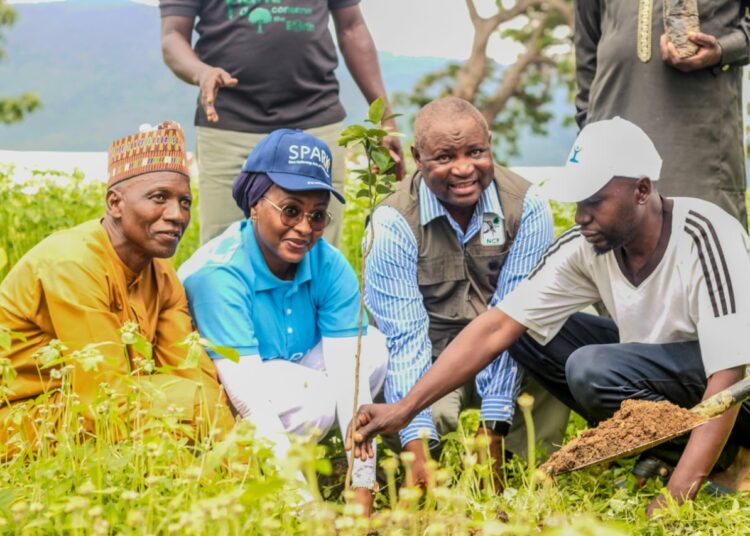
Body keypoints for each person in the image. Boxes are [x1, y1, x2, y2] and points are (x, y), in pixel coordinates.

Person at [350, 117, 750, 515]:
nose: (580, 216)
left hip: (737, 395)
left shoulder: (706, 234)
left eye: (593, 202)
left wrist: (676, 497)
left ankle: (727, 462)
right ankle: (677, 453)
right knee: (525, 333)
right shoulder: (588, 245)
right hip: (656, 372)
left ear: (641, 190)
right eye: (577, 203)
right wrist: (404, 410)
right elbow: (497, 326)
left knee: (592, 368)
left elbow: (729, 378)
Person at [364, 97, 570, 488]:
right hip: (434, 360)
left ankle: (527, 468)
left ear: (489, 144)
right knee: (424, 424)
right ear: (418, 158)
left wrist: (493, 427)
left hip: (510, 350)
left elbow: (514, 318)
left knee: (561, 345)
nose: (463, 169)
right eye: (444, 157)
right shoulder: (392, 223)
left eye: (475, 152)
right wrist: (415, 443)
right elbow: (404, 341)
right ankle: (425, 465)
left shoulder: (527, 207)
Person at [178, 129, 387, 514]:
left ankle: (324, 464)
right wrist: (302, 505)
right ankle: (268, 482)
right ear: (255, 203)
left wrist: (362, 486)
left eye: (318, 215)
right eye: (290, 210)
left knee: (370, 348)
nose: (305, 228)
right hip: (224, 401)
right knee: (315, 399)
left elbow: (352, 380)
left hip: (288, 376)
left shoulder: (328, 263)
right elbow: (249, 397)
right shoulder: (218, 276)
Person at [0, 121, 235, 440]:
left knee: (205, 400)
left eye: (184, 202)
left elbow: (190, 369)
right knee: (182, 409)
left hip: (108, 407)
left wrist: (223, 435)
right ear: (115, 203)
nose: (177, 215)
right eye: (159, 197)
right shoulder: (72, 263)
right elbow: (104, 398)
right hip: (24, 417)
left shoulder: (161, 271)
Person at [159, 0, 403, 246]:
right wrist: (202, 72)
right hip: (229, 124)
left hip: (314, 119)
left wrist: (385, 119)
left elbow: (352, 28)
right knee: (225, 250)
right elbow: (173, 35)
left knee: (317, 247)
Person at [575, 0, 749, 228]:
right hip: (611, 138)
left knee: (703, 246)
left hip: (699, 144)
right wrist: (590, 134)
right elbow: (586, 52)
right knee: (612, 255)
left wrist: (723, 50)